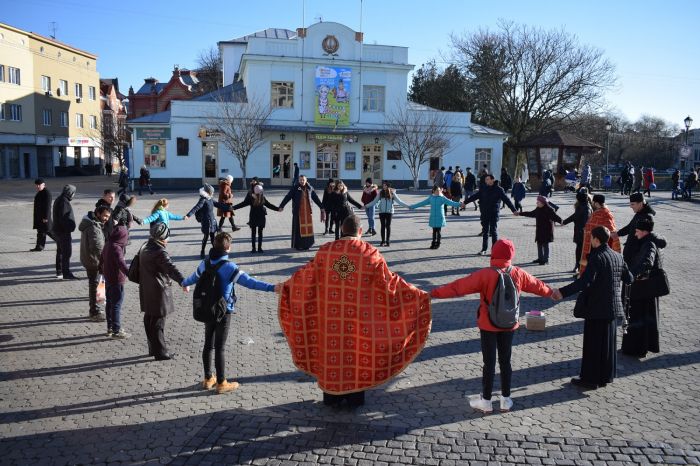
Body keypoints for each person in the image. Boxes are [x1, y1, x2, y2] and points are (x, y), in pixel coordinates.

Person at [278, 215, 431, 409]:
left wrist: (286, 286)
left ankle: (331, 397)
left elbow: (305, 276)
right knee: (357, 356)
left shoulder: (326, 252)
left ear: (342, 229)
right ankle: (354, 399)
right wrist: (417, 295)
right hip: (358, 322)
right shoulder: (370, 254)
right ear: (360, 232)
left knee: (332, 353)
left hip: (330, 322)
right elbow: (390, 284)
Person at [431, 239, 553, 412]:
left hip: (488, 324)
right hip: (509, 324)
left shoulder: (485, 274)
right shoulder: (518, 273)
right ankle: (505, 400)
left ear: (494, 253)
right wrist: (552, 292)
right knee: (506, 361)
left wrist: (434, 294)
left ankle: (486, 401)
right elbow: (537, 285)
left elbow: (458, 287)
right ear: (511, 255)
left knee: (489, 363)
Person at [182, 231, 281, 393]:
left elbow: (192, 278)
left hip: (208, 308)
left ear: (214, 245)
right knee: (219, 346)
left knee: (208, 345)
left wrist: (184, 283)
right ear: (228, 248)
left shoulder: (205, 263)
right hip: (224, 311)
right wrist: (272, 288)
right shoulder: (229, 267)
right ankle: (221, 382)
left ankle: (208, 378)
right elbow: (250, 283)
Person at [551, 226, 633, 389]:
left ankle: (590, 379)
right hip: (612, 308)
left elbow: (585, 281)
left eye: (591, 238)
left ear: (596, 239)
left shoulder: (597, 258)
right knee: (607, 345)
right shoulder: (617, 256)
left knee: (593, 345)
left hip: (597, 308)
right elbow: (629, 278)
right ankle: (605, 376)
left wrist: (562, 292)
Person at [139, 223, 186, 361]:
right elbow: (170, 268)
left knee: (150, 319)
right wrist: (182, 281)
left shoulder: (145, 246)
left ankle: (153, 348)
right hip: (158, 291)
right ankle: (160, 352)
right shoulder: (159, 251)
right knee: (158, 322)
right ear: (164, 236)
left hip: (147, 288)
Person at [621, 219, 666, 357]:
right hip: (646, 287)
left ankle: (637, 347)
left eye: (637, 231)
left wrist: (630, 274)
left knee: (640, 316)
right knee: (643, 316)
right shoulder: (649, 241)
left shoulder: (649, 244)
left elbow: (646, 262)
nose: (635, 234)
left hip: (644, 288)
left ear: (645, 232)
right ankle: (638, 346)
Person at [461, 174, 518, 255]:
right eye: (485, 179)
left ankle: (494, 250)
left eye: (487, 179)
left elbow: (507, 200)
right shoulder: (484, 189)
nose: (486, 180)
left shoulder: (499, 190)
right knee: (485, 232)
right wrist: (465, 202)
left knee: (494, 232)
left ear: (492, 180)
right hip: (485, 213)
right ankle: (484, 249)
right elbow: (475, 196)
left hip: (493, 214)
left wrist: (514, 210)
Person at [79, 205, 111, 322]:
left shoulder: (91, 224)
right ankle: (94, 312)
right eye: (105, 215)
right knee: (95, 286)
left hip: (90, 260)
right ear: (98, 214)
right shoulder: (93, 228)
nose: (106, 218)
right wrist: (103, 262)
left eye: (108, 216)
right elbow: (97, 247)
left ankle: (96, 309)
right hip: (94, 262)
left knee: (97, 286)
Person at [278, 175, 326, 250]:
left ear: (306, 180)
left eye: (303, 180)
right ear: (298, 180)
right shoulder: (295, 188)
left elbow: (315, 198)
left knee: (308, 228)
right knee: (298, 229)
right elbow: (288, 197)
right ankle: (297, 245)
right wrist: (281, 206)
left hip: (308, 213)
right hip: (298, 212)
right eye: (300, 180)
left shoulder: (310, 188)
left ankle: (307, 245)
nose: (302, 181)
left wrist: (322, 207)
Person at [185, 184, 233, 259]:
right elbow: (196, 208)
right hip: (206, 221)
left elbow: (218, 204)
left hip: (212, 219)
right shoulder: (203, 199)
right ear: (208, 192)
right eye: (212, 192)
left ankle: (215, 252)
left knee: (213, 237)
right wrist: (188, 215)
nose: (213, 194)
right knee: (206, 237)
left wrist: (228, 207)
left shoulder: (210, 198)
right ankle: (202, 251)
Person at [99, 226, 130, 339]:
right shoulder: (116, 248)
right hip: (117, 280)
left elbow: (101, 259)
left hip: (108, 278)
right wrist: (130, 273)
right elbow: (121, 263)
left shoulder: (108, 244)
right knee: (116, 304)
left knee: (110, 304)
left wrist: (102, 271)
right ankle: (116, 330)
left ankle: (110, 327)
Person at [578, 194, 621, 276]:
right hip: (592, 246)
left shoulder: (605, 214)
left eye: (593, 202)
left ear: (597, 203)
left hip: (599, 248)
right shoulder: (596, 212)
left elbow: (611, 232)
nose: (591, 204)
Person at [231, 184, 280, 253]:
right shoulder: (251, 198)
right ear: (257, 192)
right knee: (253, 233)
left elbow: (269, 205)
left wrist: (277, 209)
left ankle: (260, 247)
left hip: (261, 217)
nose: (262, 193)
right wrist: (234, 207)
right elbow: (242, 204)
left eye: (262, 191)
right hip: (253, 217)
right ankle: (253, 248)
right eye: (260, 191)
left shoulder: (262, 198)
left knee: (260, 233)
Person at [613, 193, 656, 267]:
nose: (631, 207)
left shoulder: (648, 217)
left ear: (640, 204)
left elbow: (644, 237)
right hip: (630, 251)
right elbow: (630, 227)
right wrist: (617, 233)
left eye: (633, 204)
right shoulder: (639, 213)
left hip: (636, 254)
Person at [517, 196, 562, 265]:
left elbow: (555, 217)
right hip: (540, 228)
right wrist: (520, 213)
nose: (536, 202)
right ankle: (540, 258)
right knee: (539, 242)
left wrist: (561, 222)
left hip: (547, 229)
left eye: (537, 201)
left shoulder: (549, 209)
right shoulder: (538, 209)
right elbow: (531, 213)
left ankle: (546, 259)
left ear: (542, 203)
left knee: (545, 243)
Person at [363, 180, 409, 247]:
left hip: (389, 212)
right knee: (383, 226)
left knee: (388, 226)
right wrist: (366, 206)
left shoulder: (392, 193)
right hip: (382, 211)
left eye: (385, 185)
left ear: (388, 186)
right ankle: (382, 241)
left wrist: (408, 206)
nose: (383, 186)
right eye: (383, 185)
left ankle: (388, 241)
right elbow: (374, 201)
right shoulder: (380, 193)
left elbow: (399, 202)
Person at [561, 191, 592, 275]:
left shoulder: (586, 207)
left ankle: (582, 268)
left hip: (583, 233)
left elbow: (587, 218)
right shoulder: (581, 206)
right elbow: (574, 216)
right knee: (578, 250)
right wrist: (565, 222)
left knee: (583, 251)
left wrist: (584, 229)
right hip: (579, 232)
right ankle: (577, 266)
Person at [52, 184, 79, 280]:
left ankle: (59, 271)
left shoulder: (59, 199)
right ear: (70, 193)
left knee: (60, 251)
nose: (73, 195)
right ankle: (66, 272)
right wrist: (68, 229)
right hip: (63, 232)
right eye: (73, 193)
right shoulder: (64, 202)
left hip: (57, 230)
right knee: (66, 253)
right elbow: (64, 218)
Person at [31, 179, 56, 252]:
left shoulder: (46, 193)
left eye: (40, 185)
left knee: (49, 231)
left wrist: (45, 217)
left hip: (44, 217)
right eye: (37, 185)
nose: (38, 186)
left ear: (44, 185)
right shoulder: (40, 193)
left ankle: (61, 243)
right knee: (41, 233)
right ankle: (39, 247)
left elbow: (47, 206)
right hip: (39, 217)